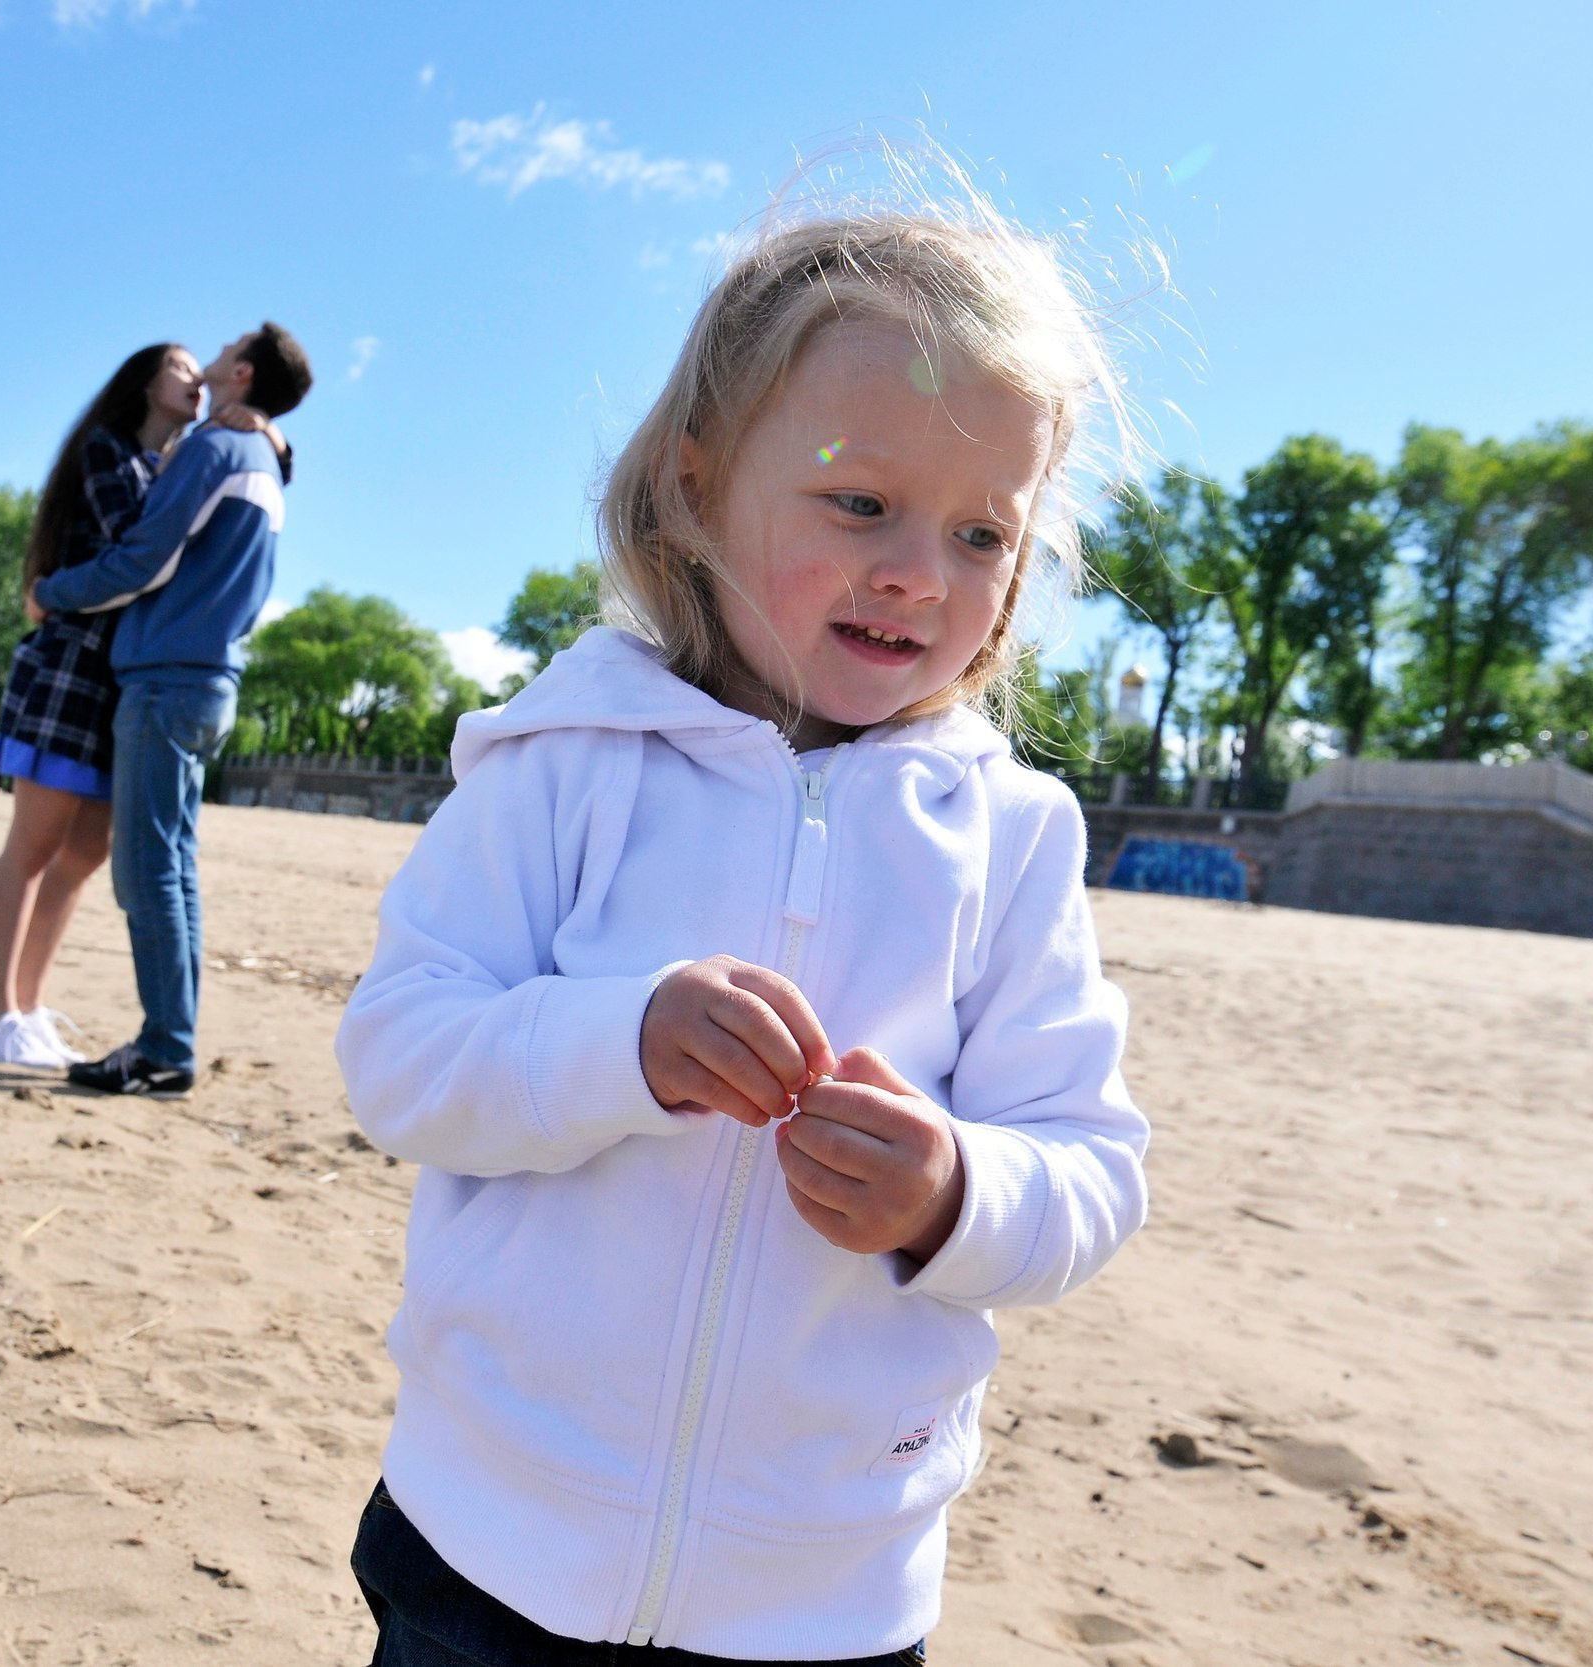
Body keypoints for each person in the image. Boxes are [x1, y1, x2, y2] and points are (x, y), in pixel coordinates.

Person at [333, 206, 1151, 1663]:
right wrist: (618, 1041)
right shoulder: (565, 756)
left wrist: (957, 1188)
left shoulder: (1013, 836)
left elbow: (1089, 1167)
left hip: (822, 1590)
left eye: (981, 533)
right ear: (695, 487)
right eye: (861, 504)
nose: (919, 571)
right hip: (491, 1538)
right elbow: (400, 1054)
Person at [31, 323, 314, 1098]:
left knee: (147, 871)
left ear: (244, 373)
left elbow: (138, 562)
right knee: (173, 868)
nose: (211, 360)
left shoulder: (211, 451)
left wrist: (48, 594)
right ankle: (171, 1041)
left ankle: (164, 1048)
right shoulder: (262, 456)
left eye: (223, 354)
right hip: (210, 683)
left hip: (163, 682)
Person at [0, 343, 204, 1068]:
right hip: (71, 671)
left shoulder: (167, 468)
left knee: (82, 856)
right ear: (145, 382)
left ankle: (27, 1008)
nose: (195, 380)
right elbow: (132, 547)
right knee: (33, 847)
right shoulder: (107, 451)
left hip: (124, 682)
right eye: (182, 368)